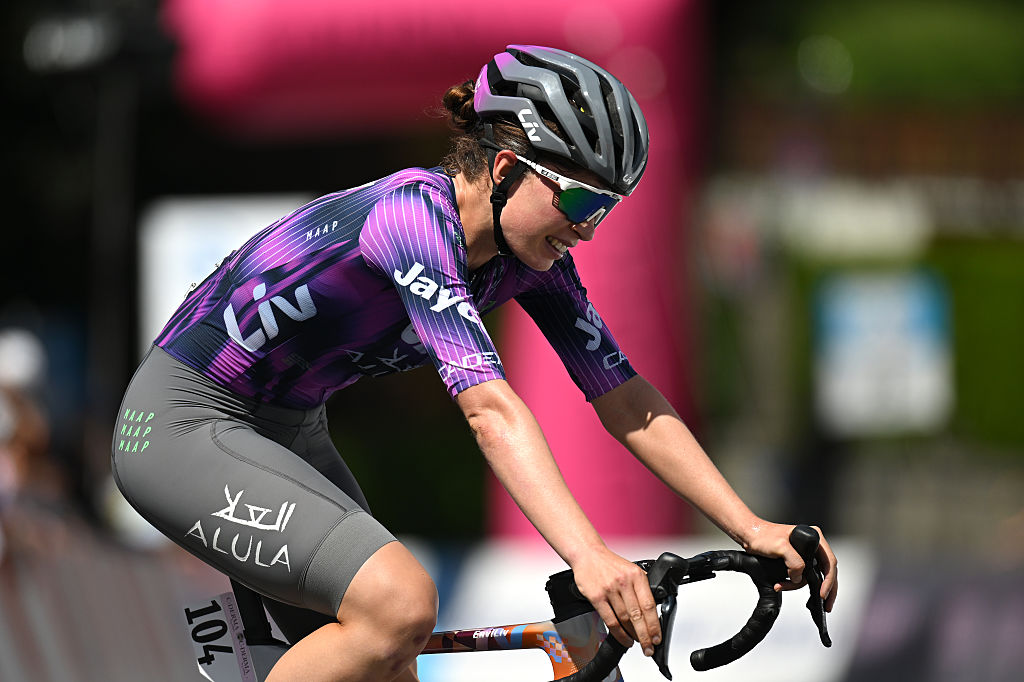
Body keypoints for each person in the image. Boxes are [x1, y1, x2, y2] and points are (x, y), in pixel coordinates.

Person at [111, 45, 837, 682]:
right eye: (580, 197)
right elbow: (490, 411)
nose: (587, 227)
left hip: (284, 428)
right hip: (182, 424)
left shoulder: (530, 260)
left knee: (391, 660)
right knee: (401, 606)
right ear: (504, 167)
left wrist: (750, 526)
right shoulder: (410, 216)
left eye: (606, 209)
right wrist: (588, 555)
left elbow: (627, 399)